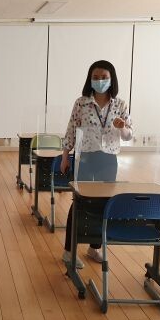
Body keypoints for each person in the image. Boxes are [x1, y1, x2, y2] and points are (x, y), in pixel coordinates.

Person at [60, 60, 133, 268]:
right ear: (90, 79)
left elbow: (129, 135)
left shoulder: (120, 104)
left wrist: (123, 127)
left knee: (104, 203)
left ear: (111, 79)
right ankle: (69, 251)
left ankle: (94, 247)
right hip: (84, 158)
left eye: (104, 77)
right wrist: (65, 157)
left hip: (108, 159)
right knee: (80, 202)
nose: (100, 81)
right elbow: (71, 129)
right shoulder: (81, 103)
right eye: (96, 77)